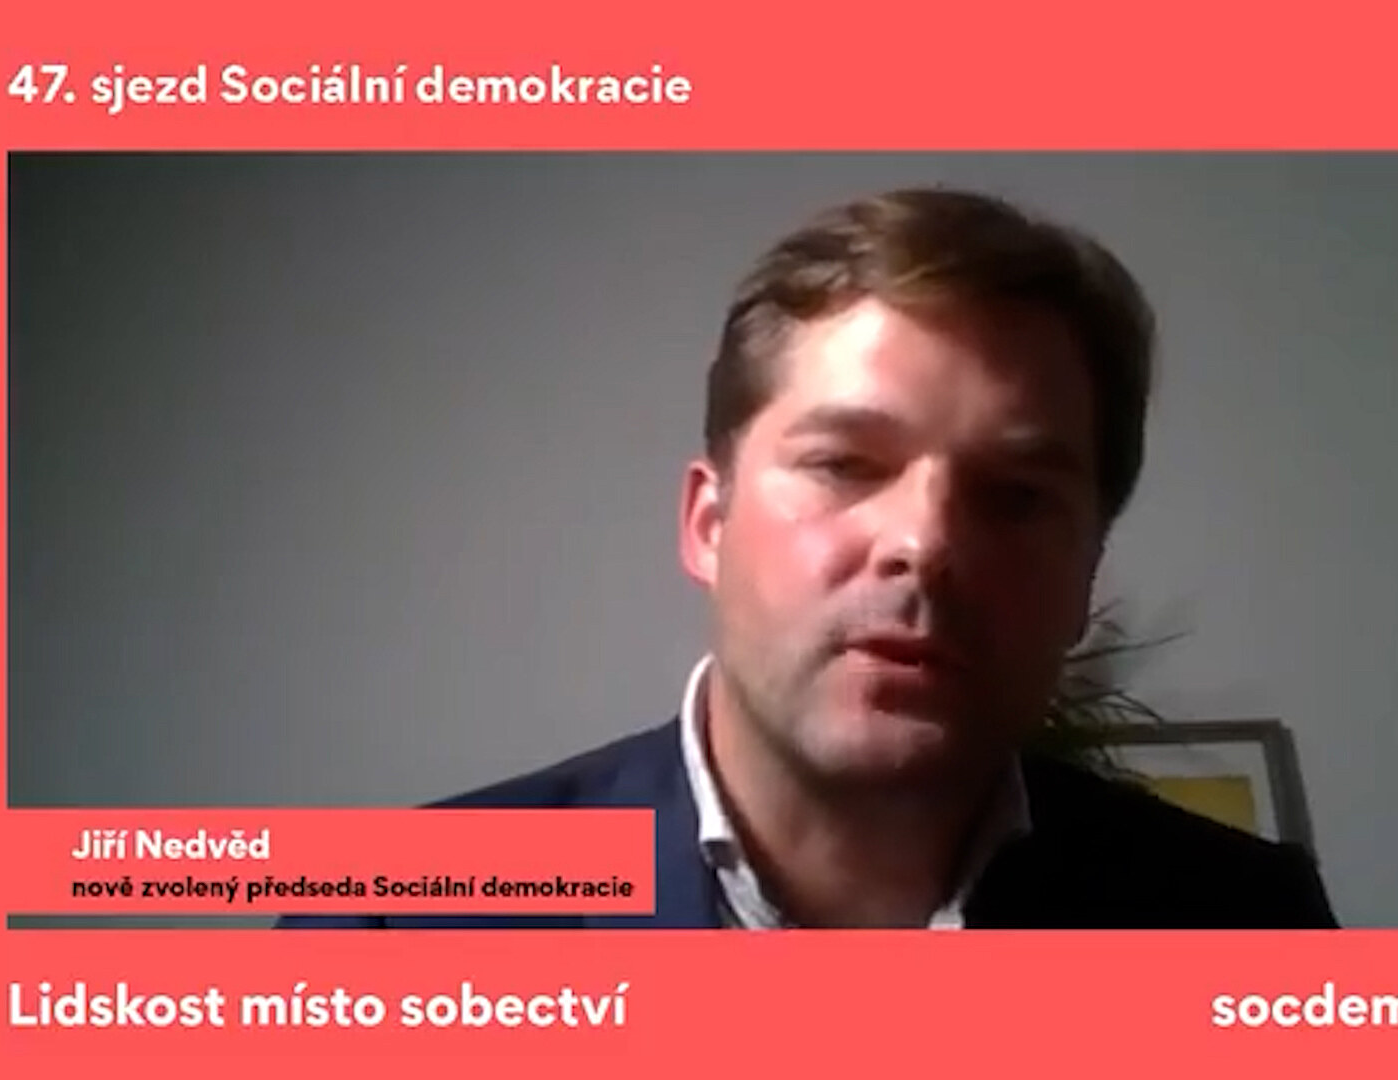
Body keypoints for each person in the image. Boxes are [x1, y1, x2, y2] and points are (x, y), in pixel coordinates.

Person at [282, 187, 1339, 930]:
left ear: (1086, 579)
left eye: (1017, 497)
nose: (925, 544)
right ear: (708, 523)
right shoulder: (394, 923)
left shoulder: (1245, 922)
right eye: (843, 464)